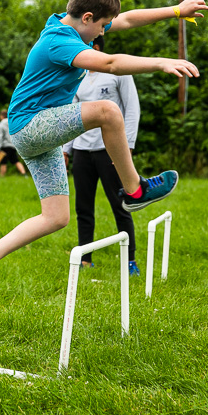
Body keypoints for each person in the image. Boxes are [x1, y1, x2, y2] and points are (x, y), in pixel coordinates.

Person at [0, 0, 208, 306]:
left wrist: (176, 10)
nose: (104, 33)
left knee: (56, 217)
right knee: (107, 111)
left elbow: (129, 18)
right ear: (88, 18)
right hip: (31, 125)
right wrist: (161, 62)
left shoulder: (75, 24)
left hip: (40, 131)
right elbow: (110, 63)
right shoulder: (58, 42)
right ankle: (134, 191)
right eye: (102, 26)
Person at [62, 35, 140, 273]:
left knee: (121, 205)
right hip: (82, 152)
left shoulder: (118, 71)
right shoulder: (78, 77)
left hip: (111, 152)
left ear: (95, 48)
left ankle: (130, 261)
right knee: (83, 207)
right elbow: (72, 116)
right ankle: (85, 258)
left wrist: (126, 147)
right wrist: (66, 150)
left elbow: (132, 109)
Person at [0, 109, 27, 177]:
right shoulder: (12, 123)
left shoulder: (0, 125)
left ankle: (1, 177)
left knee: (3, 162)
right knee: (15, 161)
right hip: (13, 145)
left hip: (5, 146)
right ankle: (24, 174)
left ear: (1, 116)